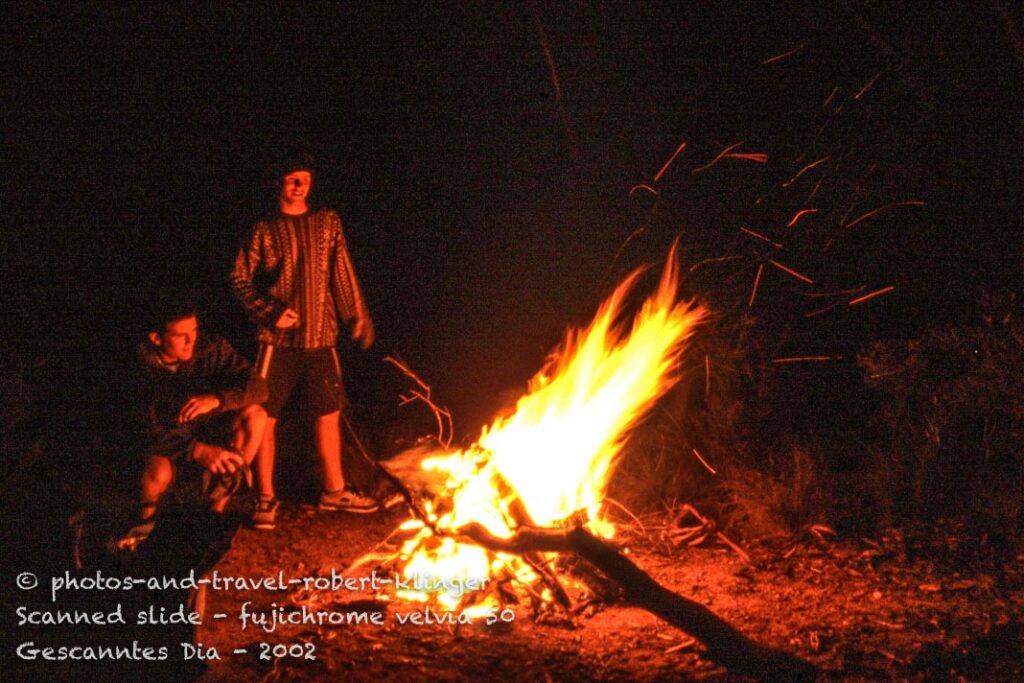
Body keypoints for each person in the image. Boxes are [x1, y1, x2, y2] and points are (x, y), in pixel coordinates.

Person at [230, 154, 378, 530]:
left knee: (328, 413)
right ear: (278, 183)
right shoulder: (264, 229)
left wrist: (356, 316)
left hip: (321, 337)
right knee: (266, 417)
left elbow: (341, 270)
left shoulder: (327, 222)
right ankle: (265, 496)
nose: (298, 185)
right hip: (276, 341)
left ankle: (334, 490)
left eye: (304, 179)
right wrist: (269, 310)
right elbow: (239, 279)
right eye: (291, 179)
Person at [118, 301, 268, 548]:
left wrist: (218, 399)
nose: (191, 341)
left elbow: (258, 386)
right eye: (180, 336)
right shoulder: (139, 366)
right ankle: (143, 526)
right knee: (158, 472)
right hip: (165, 441)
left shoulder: (209, 348)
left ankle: (215, 515)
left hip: (203, 429)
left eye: (194, 331)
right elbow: (144, 426)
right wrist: (196, 450)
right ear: (157, 338)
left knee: (255, 415)